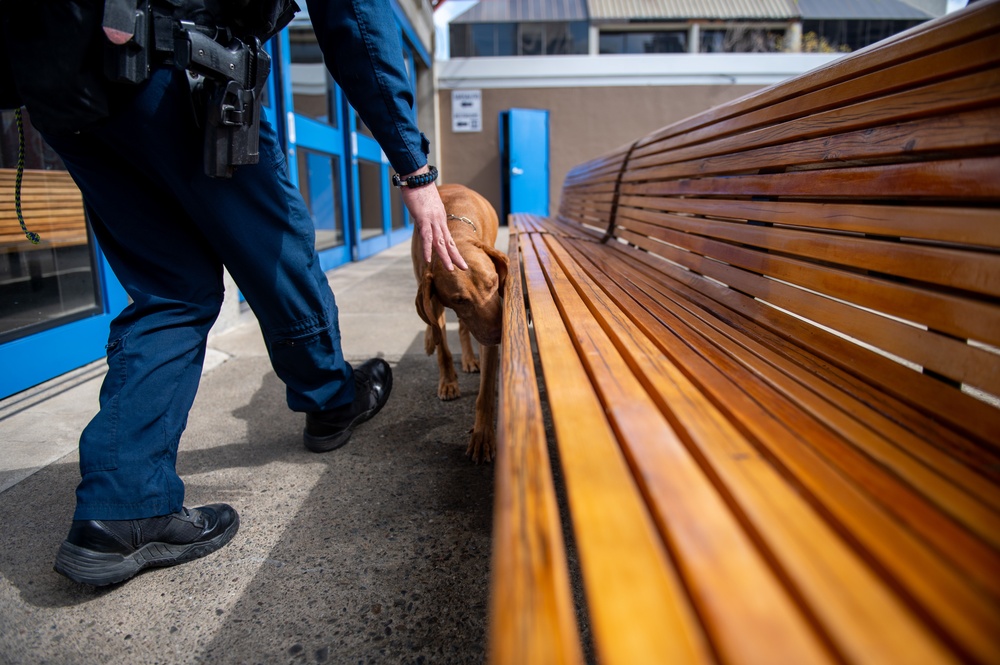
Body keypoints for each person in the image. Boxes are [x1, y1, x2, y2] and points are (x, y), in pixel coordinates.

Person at [0, 0, 467, 587]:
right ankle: (330, 399)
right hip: (186, 71)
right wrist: (414, 170)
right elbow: (356, 23)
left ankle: (121, 509)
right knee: (276, 255)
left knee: (170, 292)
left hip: (66, 87)